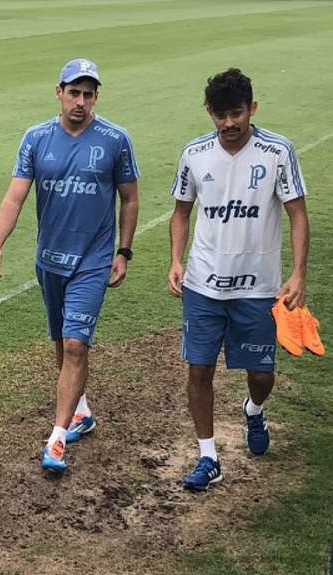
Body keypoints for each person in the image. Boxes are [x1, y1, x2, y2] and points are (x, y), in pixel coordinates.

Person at [0, 58, 140, 474]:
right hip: (49, 260)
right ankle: (82, 412)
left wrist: (123, 251)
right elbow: (15, 197)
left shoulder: (114, 140)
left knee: (75, 344)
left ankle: (55, 440)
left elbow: (130, 198)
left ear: (96, 98)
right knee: (61, 340)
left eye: (89, 94)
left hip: (93, 260)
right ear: (59, 92)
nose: (81, 102)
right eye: (74, 92)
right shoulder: (36, 139)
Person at [167, 68, 309, 491]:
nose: (229, 123)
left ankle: (253, 409)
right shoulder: (194, 154)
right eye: (220, 114)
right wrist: (176, 259)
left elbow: (297, 213)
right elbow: (180, 212)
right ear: (209, 112)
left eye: (236, 113)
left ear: (252, 109)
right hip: (203, 285)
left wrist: (298, 272)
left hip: (259, 289)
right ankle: (208, 456)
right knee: (199, 370)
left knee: (261, 375)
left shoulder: (277, 151)